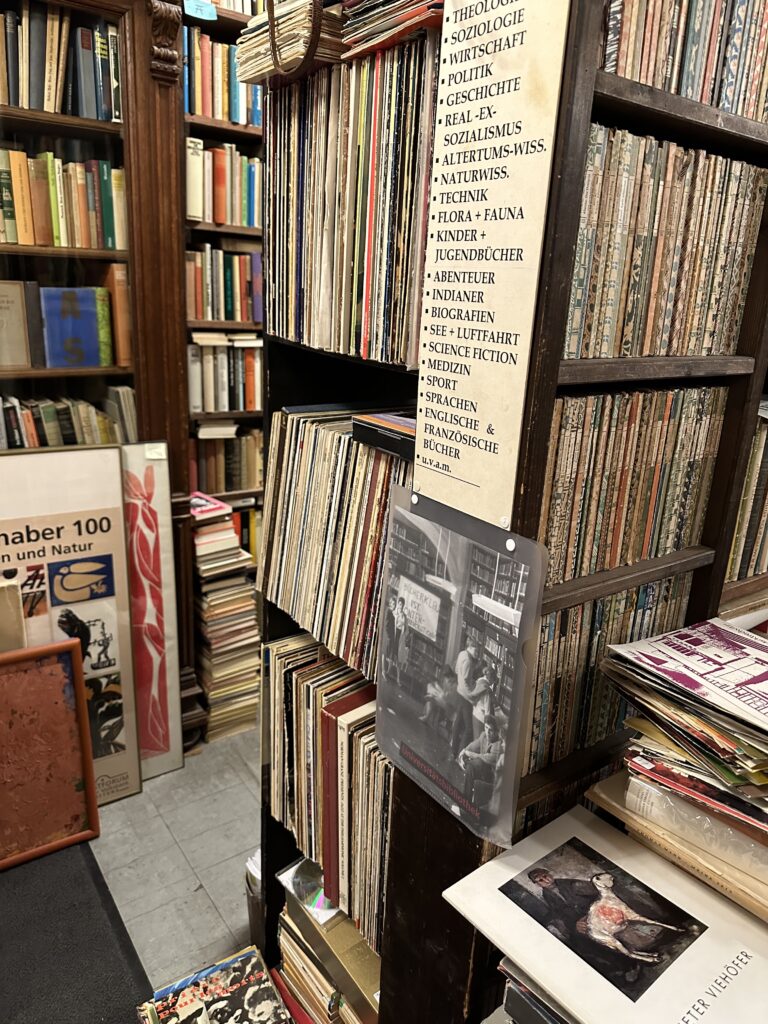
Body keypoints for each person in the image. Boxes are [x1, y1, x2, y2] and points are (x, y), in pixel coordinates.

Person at [458, 716, 502, 800]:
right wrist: (464, 751)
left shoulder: (498, 745)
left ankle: (465, 801)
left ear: (497, 732)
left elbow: (486, 758)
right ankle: (466, 800)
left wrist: (471, 754)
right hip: (483, 771)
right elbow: (473, 745)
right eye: (486, 727)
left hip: (493, 778)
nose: (487, 732)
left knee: (473, 764)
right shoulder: (484, 736)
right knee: (471, 764)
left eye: (491, 730)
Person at [451, 639, 480, 754]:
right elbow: (465, 681)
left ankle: (454, 749)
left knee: (458, 722)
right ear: (471, 647)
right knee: (469, 729)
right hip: (466, 696)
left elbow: (457, 671)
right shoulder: (468, 661)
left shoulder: (462, 654)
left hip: (459, 691)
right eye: (476, 651)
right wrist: (473, 691)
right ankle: (460, 752)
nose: (477, 654)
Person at [419, 666, 461, 730]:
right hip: (445, 701)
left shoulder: (456, 685)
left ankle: (426, 717)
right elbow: (445, 694)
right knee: (432, 694)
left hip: (451, 707)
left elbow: (448, 697)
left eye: (448, 678)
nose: (447, 679)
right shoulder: (449, 681)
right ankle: (426, 716)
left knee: (432, 697)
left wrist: (438, 688)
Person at [471, 666, 496, 739]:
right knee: (479, 740)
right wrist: (488, 723)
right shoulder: (487, 690)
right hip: (481, 718)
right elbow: (487, 707)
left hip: (474, 713)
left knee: (475, 738)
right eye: (493, 680)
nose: (492, 683)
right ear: (490, 678)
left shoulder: (478, 681)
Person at [393, 596, 410, 687]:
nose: (400, 606)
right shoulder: (394, 613)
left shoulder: (404, 617)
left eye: (402, 604)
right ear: (397, 604)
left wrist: (404, 635)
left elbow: (407, 630)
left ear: (403, 605)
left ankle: (398, 679)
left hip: (400, 637)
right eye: (399, 603)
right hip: (393, 635)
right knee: (390, 654)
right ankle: (385, 671)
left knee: (398, 659)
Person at [383, 593, 396, 676]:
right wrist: (388, 636)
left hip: (391, 636)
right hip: (388, 636)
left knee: (389, 654)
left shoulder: (393, 612)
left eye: (394, 604)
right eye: (392, 603)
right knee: (385, 653)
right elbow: (387, 624)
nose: (393, 605)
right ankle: (384, 671)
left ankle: (386, 672)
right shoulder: (389, 611)